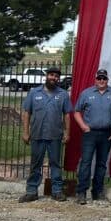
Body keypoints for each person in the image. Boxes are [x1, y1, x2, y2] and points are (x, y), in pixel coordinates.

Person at [19, 66, 72, 203]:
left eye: (56, 76)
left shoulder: (63, 94)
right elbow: (26, 113)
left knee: (55, 164)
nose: (53, 78)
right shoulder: (34, 92)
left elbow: (67, 115)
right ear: (46, 76)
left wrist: (67, 132)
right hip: (37, 134)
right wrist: (25, 132)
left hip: (55, 135)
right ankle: (31, 191)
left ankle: (57, 191)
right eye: (51, 75)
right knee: (35, 164)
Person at [73, 68, 111, 205]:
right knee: (86, 162)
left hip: (107, 133)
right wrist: (83, 126)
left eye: (104, 78)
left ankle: (97, 192)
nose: (101, 81)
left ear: (107, 80)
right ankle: (81, 192)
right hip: (90, 133)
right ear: (95, 79)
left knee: (101, 164)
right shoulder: (86, 93)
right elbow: (76, 111)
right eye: (99, 78)